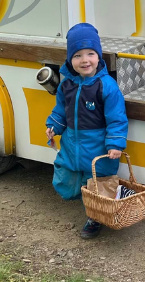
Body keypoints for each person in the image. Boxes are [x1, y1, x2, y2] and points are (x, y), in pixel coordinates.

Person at [45, 23, 128, 239]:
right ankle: (81, 197)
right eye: (78, 55)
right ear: (70, 59)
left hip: (98, 146)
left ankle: (95, 218)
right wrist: (54, 126)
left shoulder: (106, 86)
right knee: (68, 175)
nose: (85, 60)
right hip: (73, 142)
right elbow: (61, 110)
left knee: (97, 183)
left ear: (98, 56)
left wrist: (115, 144)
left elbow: (117, 118)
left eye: (91, 53)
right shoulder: (66, 85)